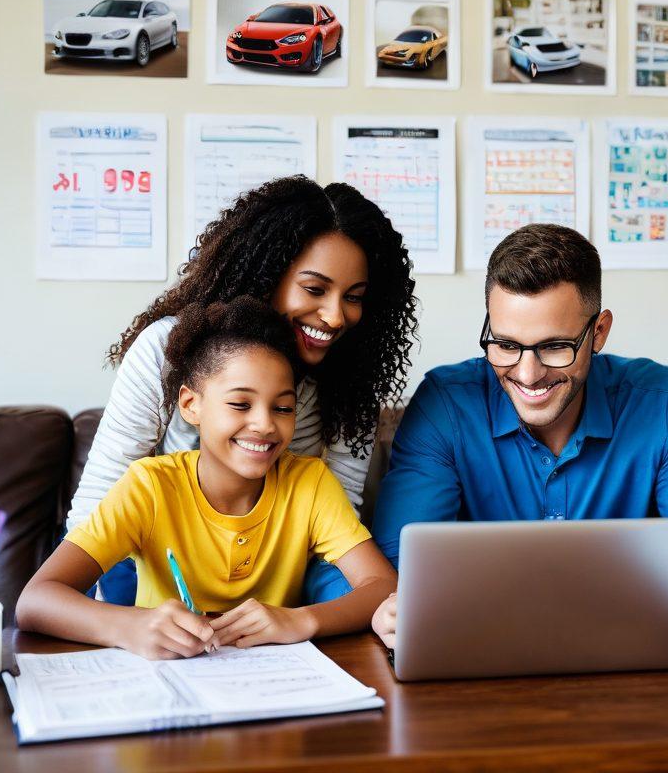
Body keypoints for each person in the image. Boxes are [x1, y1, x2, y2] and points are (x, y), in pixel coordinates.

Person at [368, 224, 668, 647]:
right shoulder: (444, 406)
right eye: (506, 345)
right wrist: (397, 607)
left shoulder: (667, 402)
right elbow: (398, 557)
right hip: (482, 649)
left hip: (625, 652)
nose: (528, 374)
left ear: (599, 332)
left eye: (555, 347)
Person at [68, 176, 417, 605]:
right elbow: (100, 501)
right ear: (268, 275)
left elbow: (339, 514)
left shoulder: (350, 375)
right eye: (314, 289)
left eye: (354, 297)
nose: (334, 317)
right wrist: (110, 617)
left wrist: (307, 614)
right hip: (162, 561)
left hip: (277, 567)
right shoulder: (166, 350)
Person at [18, 298, 397, 658]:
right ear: (190, 405)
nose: (265, 424)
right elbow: (36, 600)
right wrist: (132, 626)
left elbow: (383, 585)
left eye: (283, 408)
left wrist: (301, 620)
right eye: (240, 404)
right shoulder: (149, 486)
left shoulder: (309, 484)